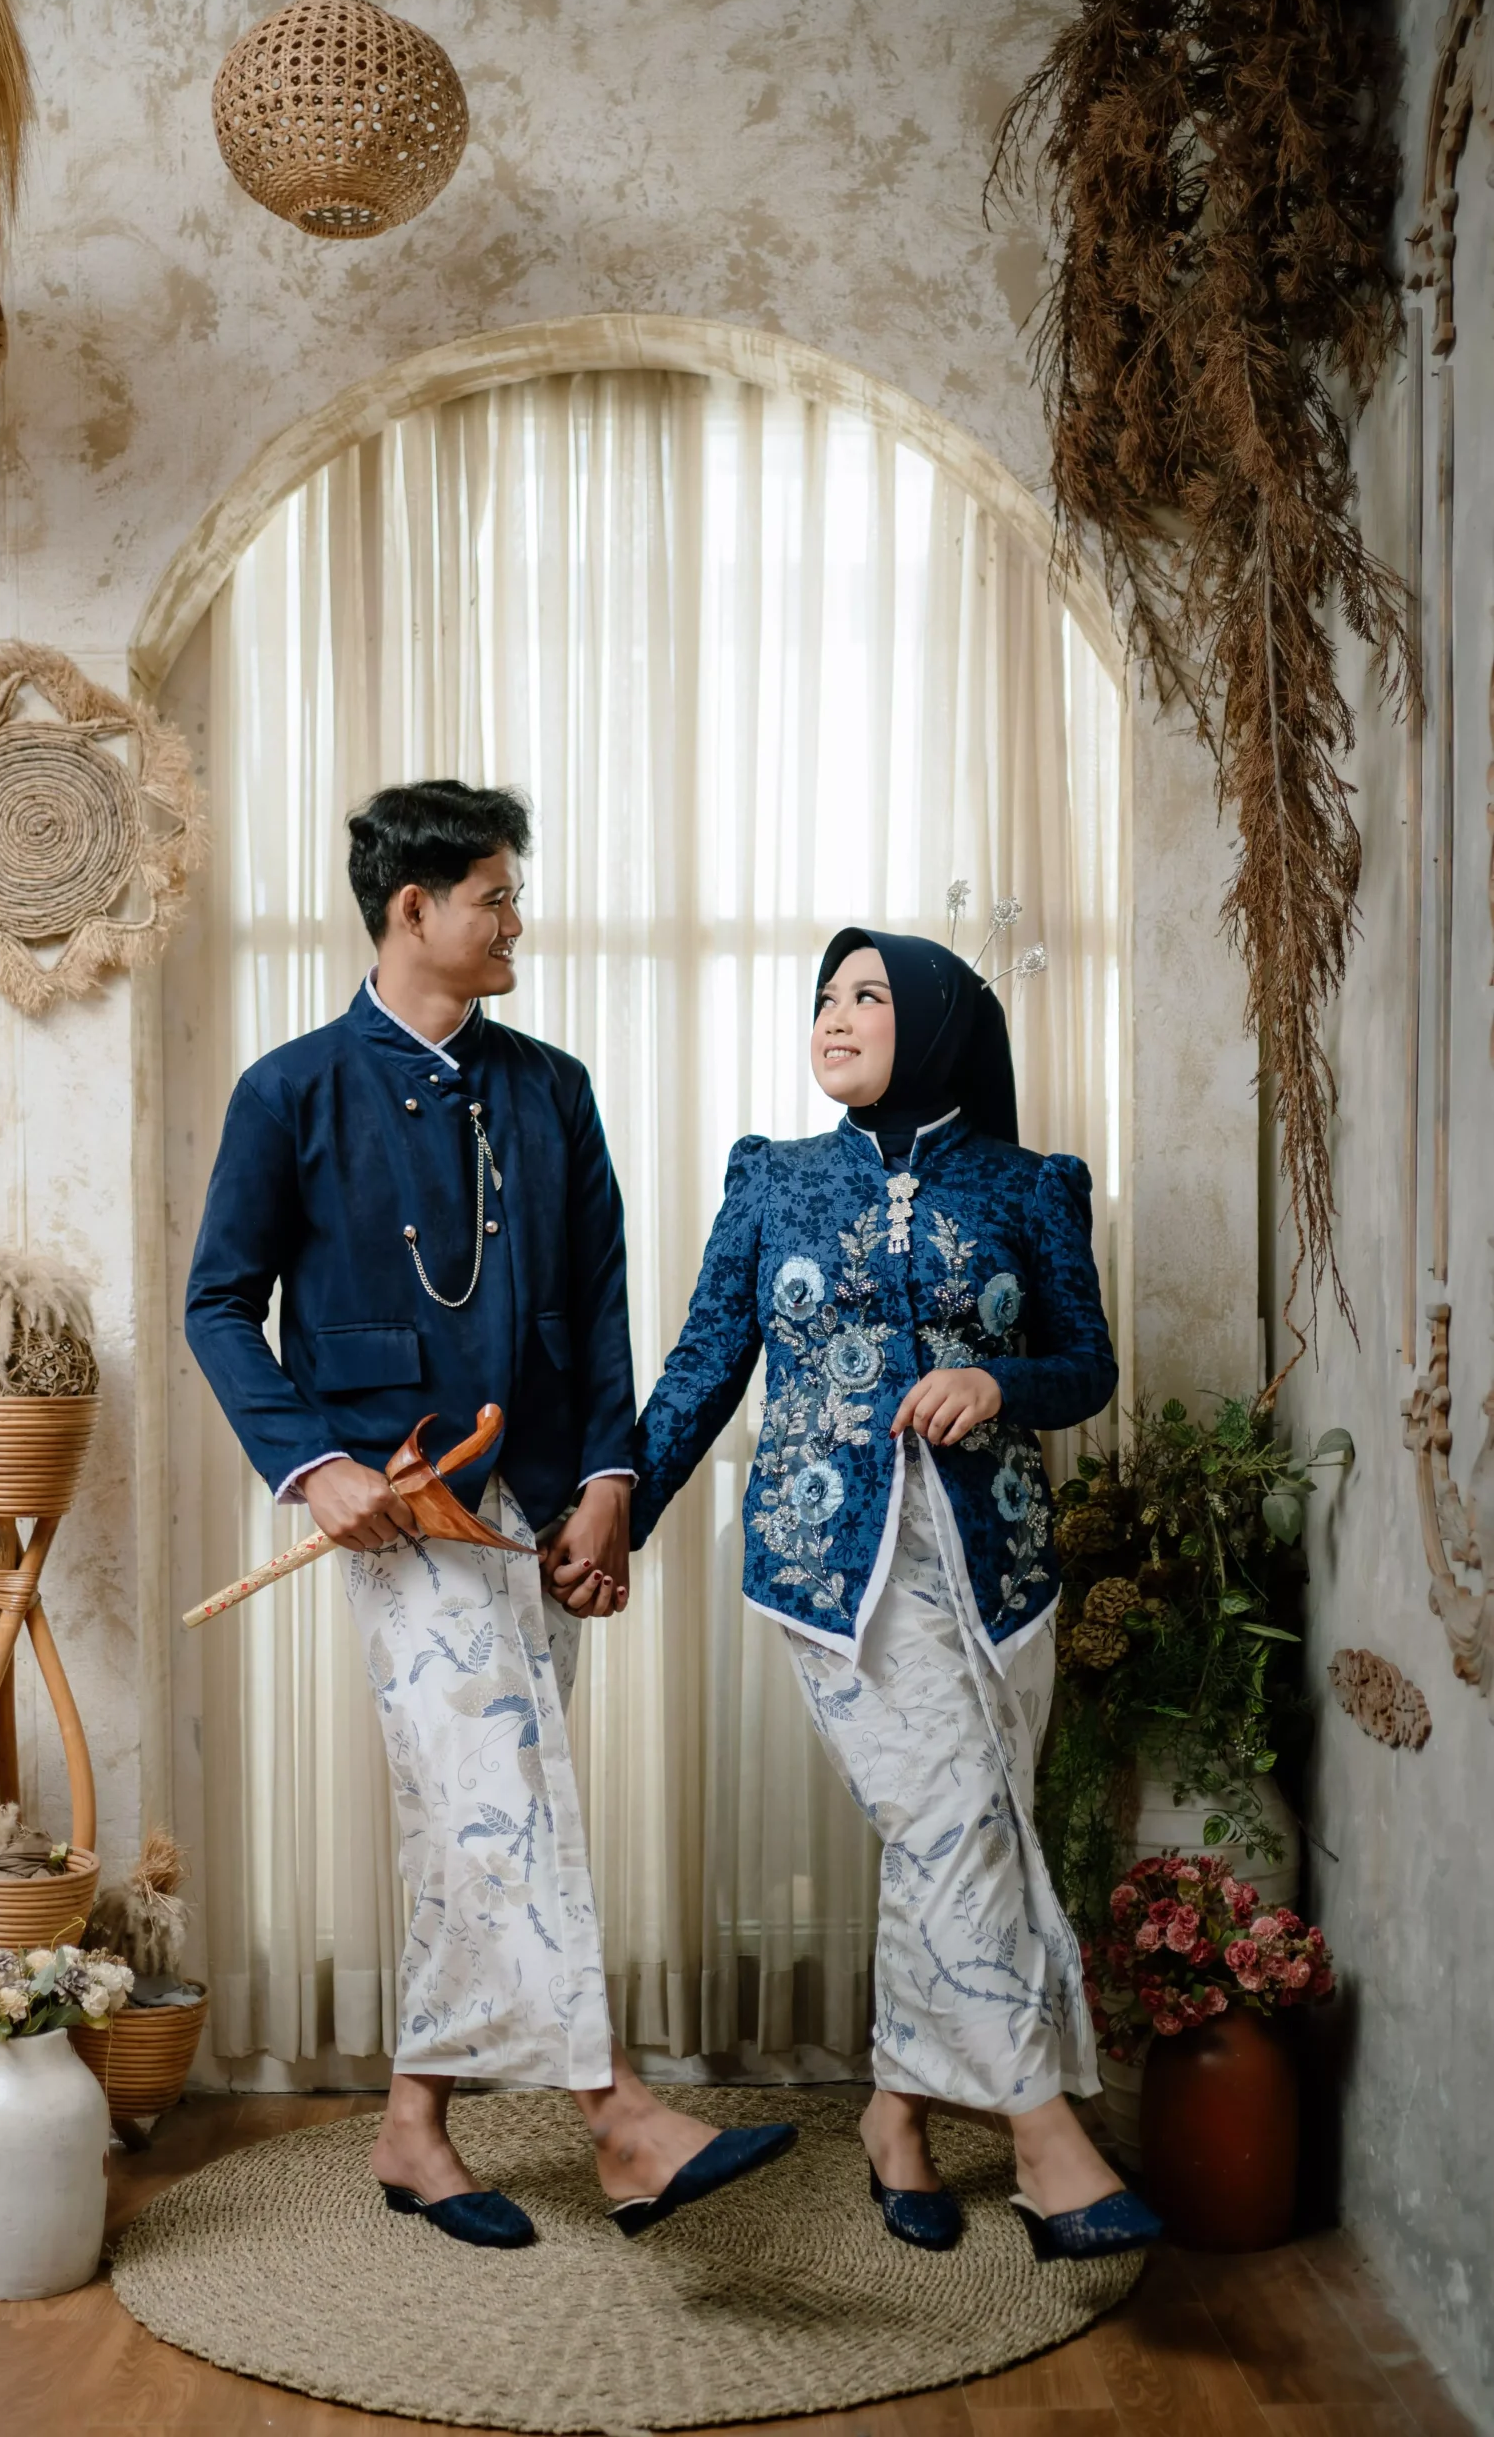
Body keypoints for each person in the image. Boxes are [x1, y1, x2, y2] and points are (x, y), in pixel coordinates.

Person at [184, 778, 793, 2247]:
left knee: (476, 1813)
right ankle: (618, 2116)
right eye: (496, 897)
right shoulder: (289, 1092)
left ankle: (413, 2128)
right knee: (498, 1794)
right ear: (414, 908)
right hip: (403, 1507)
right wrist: (311, 1465)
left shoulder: (553, 1087)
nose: (519, 920)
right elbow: (217, 1306)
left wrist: (611, 1483)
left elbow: (601, 1305)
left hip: (542, 1504)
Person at [630, 925, 1161, 2260]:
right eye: (824, 996)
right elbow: (703, 1367)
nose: (834, 1015)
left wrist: (998, 1381)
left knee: (954, 1832)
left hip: (1000, 1572)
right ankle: (1045, 2138)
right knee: (957, 1815)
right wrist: (616, 1513)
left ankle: (897, 2116)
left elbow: (1087, 1366)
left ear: (933, 1021)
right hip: (832, 1572)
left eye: (867, 995)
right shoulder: (774, 1180)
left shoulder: (1032, 1186)